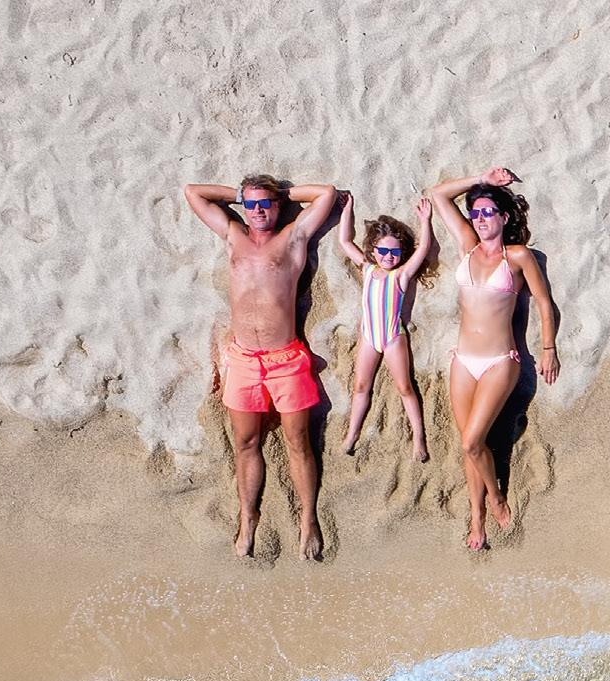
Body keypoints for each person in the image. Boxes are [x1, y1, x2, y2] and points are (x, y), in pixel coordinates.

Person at [182, 173, 345, 560]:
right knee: (245, 442)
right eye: (251, 205)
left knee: (298, 443)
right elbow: (193, 193)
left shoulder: (292, 236)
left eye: (264, 204)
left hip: (285, 358)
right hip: (243, 359)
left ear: (276, 206)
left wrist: (280, 194)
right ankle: (248, 517)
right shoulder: (233, 234)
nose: (257, 211)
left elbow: (326, 194)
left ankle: (308, 519)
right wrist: (241, 196)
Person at [425, 168, 560, 551]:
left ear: (503, 216)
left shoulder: (517, 256)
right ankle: (477, 517)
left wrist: (548, 348)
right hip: (463, 360)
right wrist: (481, 178)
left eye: (488, 212)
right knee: (470, 443)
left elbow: (545, 303)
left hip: (501, 360)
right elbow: (438, 195)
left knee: (472, 443)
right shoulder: (468, 246)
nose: (481, 219)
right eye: (476, 213)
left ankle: (497, 498)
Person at [335, 199, 438, 461]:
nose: (388, 256)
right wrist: (346, 210)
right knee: (361, 386)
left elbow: (423, 248)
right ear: (373, 249)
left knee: (405, 387)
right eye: (382, 251)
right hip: (369, 336)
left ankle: (419, 438)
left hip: (393, 336)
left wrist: (425, 221)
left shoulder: (401, 275)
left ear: (401, 253)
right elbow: (345, 242)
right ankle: (352, 434)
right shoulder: (368, 269)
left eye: (394, 252)